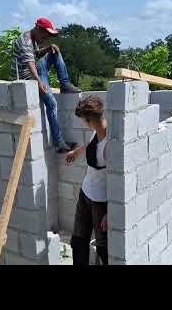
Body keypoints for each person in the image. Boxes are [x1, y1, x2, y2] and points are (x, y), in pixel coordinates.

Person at [11, 17, 82, 153]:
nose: (46, 37)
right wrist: (39, 82)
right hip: (28, 76)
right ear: (38, 29)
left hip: (34, 70)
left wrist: (49, 48)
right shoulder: (25, 41)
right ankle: (59, 142)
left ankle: (65, 84)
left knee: (55, 51)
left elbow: (36, 55)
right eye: (46, 34)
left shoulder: (33, 39)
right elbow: (31, 65)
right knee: (52, 103)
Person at [65, 95, 108, 265]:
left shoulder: (110, 145)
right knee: (78, 241)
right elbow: (90, 145)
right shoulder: (96, 132)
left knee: (104, 249)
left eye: (83, 120)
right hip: (86, 194)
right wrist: (76, 152)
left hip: (100, 203)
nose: (83, 123)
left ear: (89, 120)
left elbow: (119, 182)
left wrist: (110, 213)